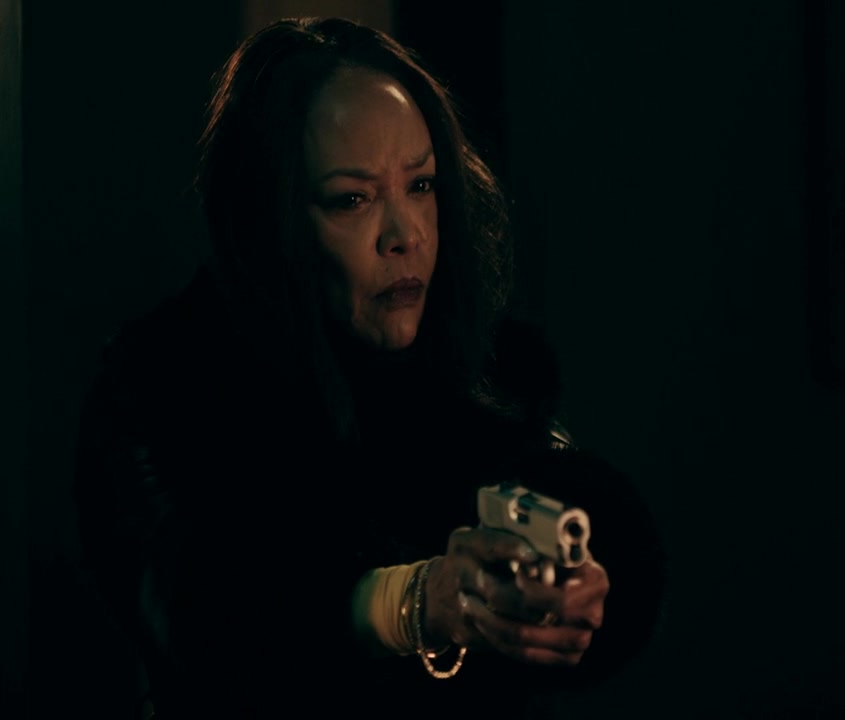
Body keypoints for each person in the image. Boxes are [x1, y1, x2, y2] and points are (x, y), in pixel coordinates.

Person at [72, 17, 665, 718]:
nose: (405, 235)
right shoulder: (166, 386)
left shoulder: (488, 376)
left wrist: (580, 591)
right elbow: (210, 621)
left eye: (422, 185)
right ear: (270, 216)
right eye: (352, 199)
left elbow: (593, 522)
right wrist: (415, 602)